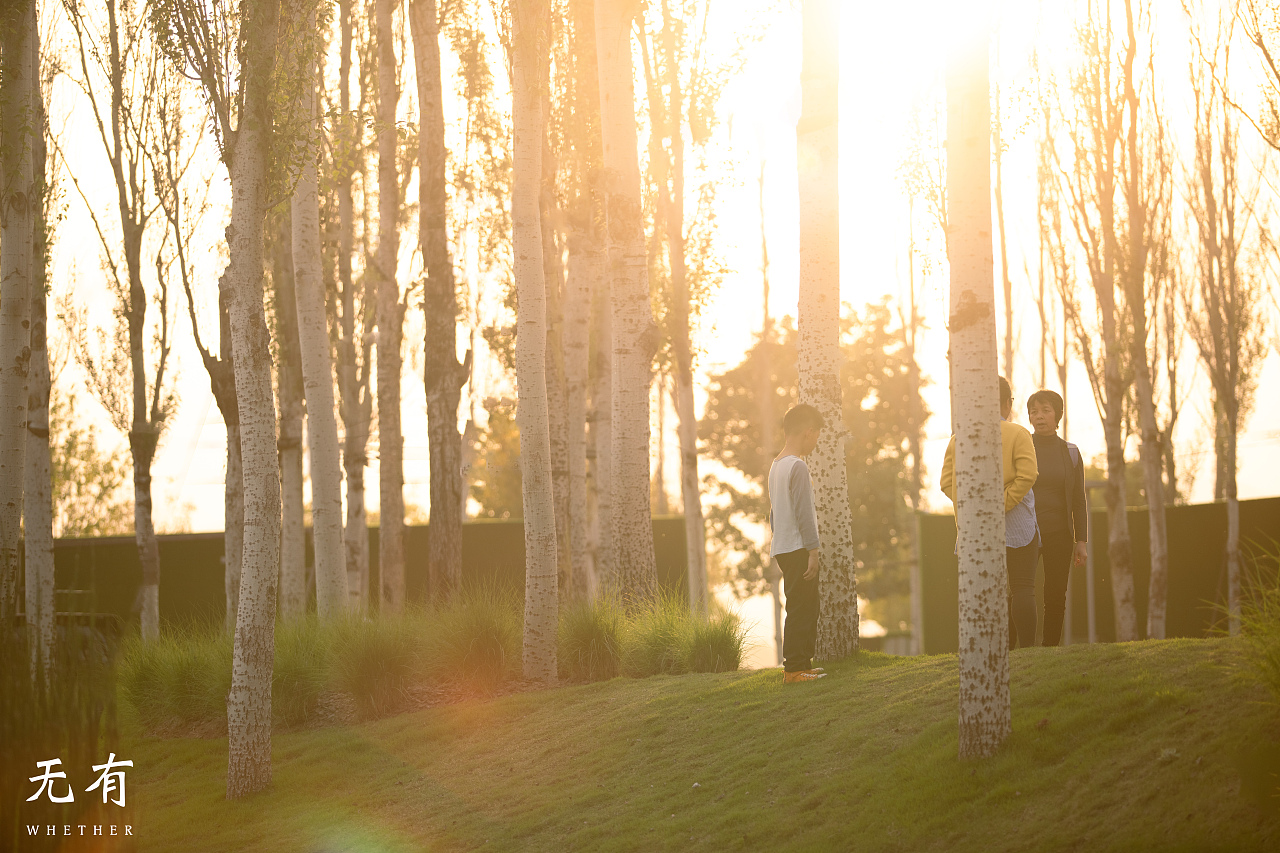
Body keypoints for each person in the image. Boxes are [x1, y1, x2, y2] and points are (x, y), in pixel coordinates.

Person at [940, 376, 1040, 649]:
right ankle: (1028, 650)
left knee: (987, 592)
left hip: (973, 526)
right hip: (1018, 524)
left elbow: (946, 483)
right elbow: (1028, 475)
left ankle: (996, 650)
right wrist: (1002, 503)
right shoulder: (1019, 433)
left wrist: (976, 507)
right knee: (1022, 587)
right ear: (1007, 402)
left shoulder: (959, 438)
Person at [768, 404, 827, 683]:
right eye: (816, 435)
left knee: (804, 605)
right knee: (802, 608)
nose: (816, 441)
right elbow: (804, 513)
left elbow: (773, 512)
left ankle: (802, 665)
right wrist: (813, 551)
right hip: (798, 547)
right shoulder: (798, 466)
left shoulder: (777, 465)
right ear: (808, 431)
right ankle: (793, 670)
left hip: (783, 546)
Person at [1027, 389, 1088, 646]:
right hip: (1024, 534)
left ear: (1057, 415)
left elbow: (1078, 499)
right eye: (1034, 412)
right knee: (1018, 592)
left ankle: (1048, 650)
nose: (1039, 417)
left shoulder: (1070, 452)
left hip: (1060, 535)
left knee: (1055, 596)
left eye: (1045, 410)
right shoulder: (1022, 447)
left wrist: (1081, 541)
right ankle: (1013, 650)